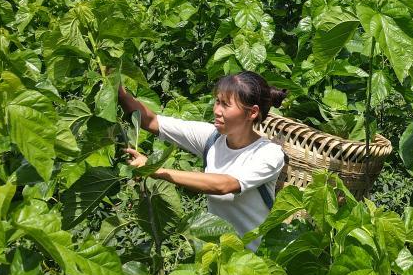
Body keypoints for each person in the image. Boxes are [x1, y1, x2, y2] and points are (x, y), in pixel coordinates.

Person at [118, 71, 287, 250]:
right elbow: (151, 121)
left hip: (255, 260)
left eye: (225, 105)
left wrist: (156, 170)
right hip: (219, 256)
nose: (216, 111)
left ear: (252, 112)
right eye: (217, 102)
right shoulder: (211, 139)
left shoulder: (268, 153)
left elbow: (225, 185)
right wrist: (119, 92)